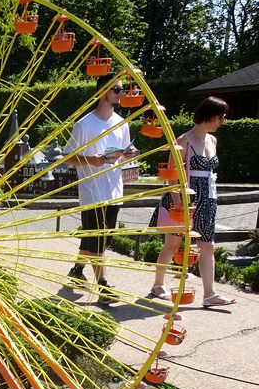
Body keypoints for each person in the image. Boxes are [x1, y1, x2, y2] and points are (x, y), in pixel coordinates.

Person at [150, 96, 235, 308]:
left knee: (208, 246)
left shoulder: (212, 140)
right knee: (173, 244)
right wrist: (179, 204)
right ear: (209, 115)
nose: (222, 121)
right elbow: (171, 175)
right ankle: (158, 284)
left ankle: (210, 294)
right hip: (183, 199)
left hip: (207, 198)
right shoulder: (183, 140)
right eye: (221, 116)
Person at [65, 74, 138, 304]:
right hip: (92, 190)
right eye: (116, 89)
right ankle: (103, 287)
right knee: (97, 238)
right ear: (102, 91)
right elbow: (67, 157)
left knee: (100, 238)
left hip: (113, 189)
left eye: (122, 90)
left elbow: (125, 152)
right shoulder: (84, 124)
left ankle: (77, 270)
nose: (120, 93)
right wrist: (90, 161)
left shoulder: (122, 123)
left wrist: (128, 153)